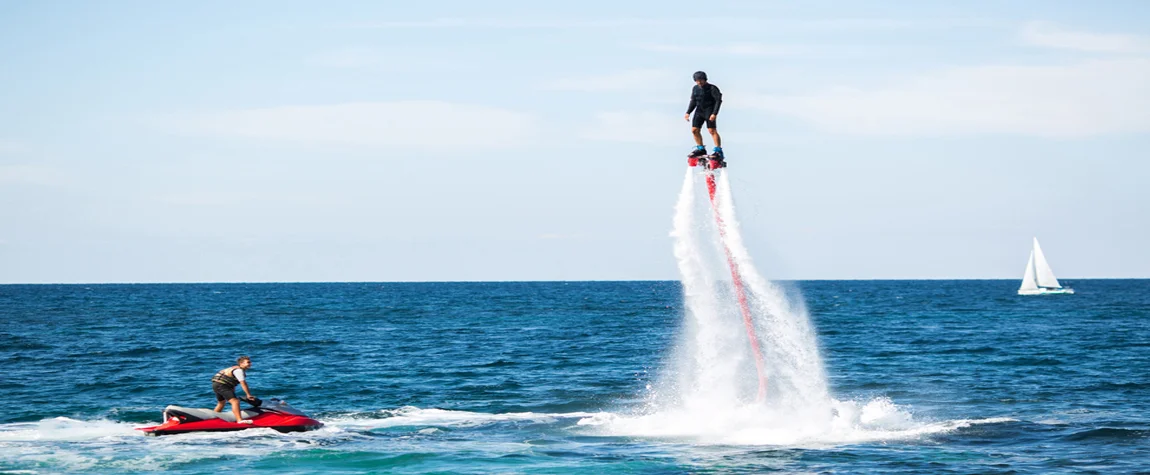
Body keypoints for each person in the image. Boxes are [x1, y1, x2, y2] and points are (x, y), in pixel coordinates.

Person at [684, 70, 724, 162]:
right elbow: (693, 101)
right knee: (694, 130)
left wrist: (714, 113)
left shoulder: (712, 88)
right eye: (697, 80)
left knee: (712, 130)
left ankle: (718, 151)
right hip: (699, 111)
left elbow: (718, 101)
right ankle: (701, 149)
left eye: (701, 80)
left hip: (709, 111)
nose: (699, 82)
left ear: (705, 79)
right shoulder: (695, 88)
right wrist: (688, 112)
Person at [212, 356, 255, 424]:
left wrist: (232, 391)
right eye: (248, 362)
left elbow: (231, 382)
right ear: (241, 363)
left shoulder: (235, 369)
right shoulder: (239, 371)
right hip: (222, 385)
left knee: (221, 403)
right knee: (235, 401)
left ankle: (213, 418)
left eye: (250, 362)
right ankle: (239, 420)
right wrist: (248, 394)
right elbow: (243, 383)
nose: (250, 364)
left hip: (216, 385)